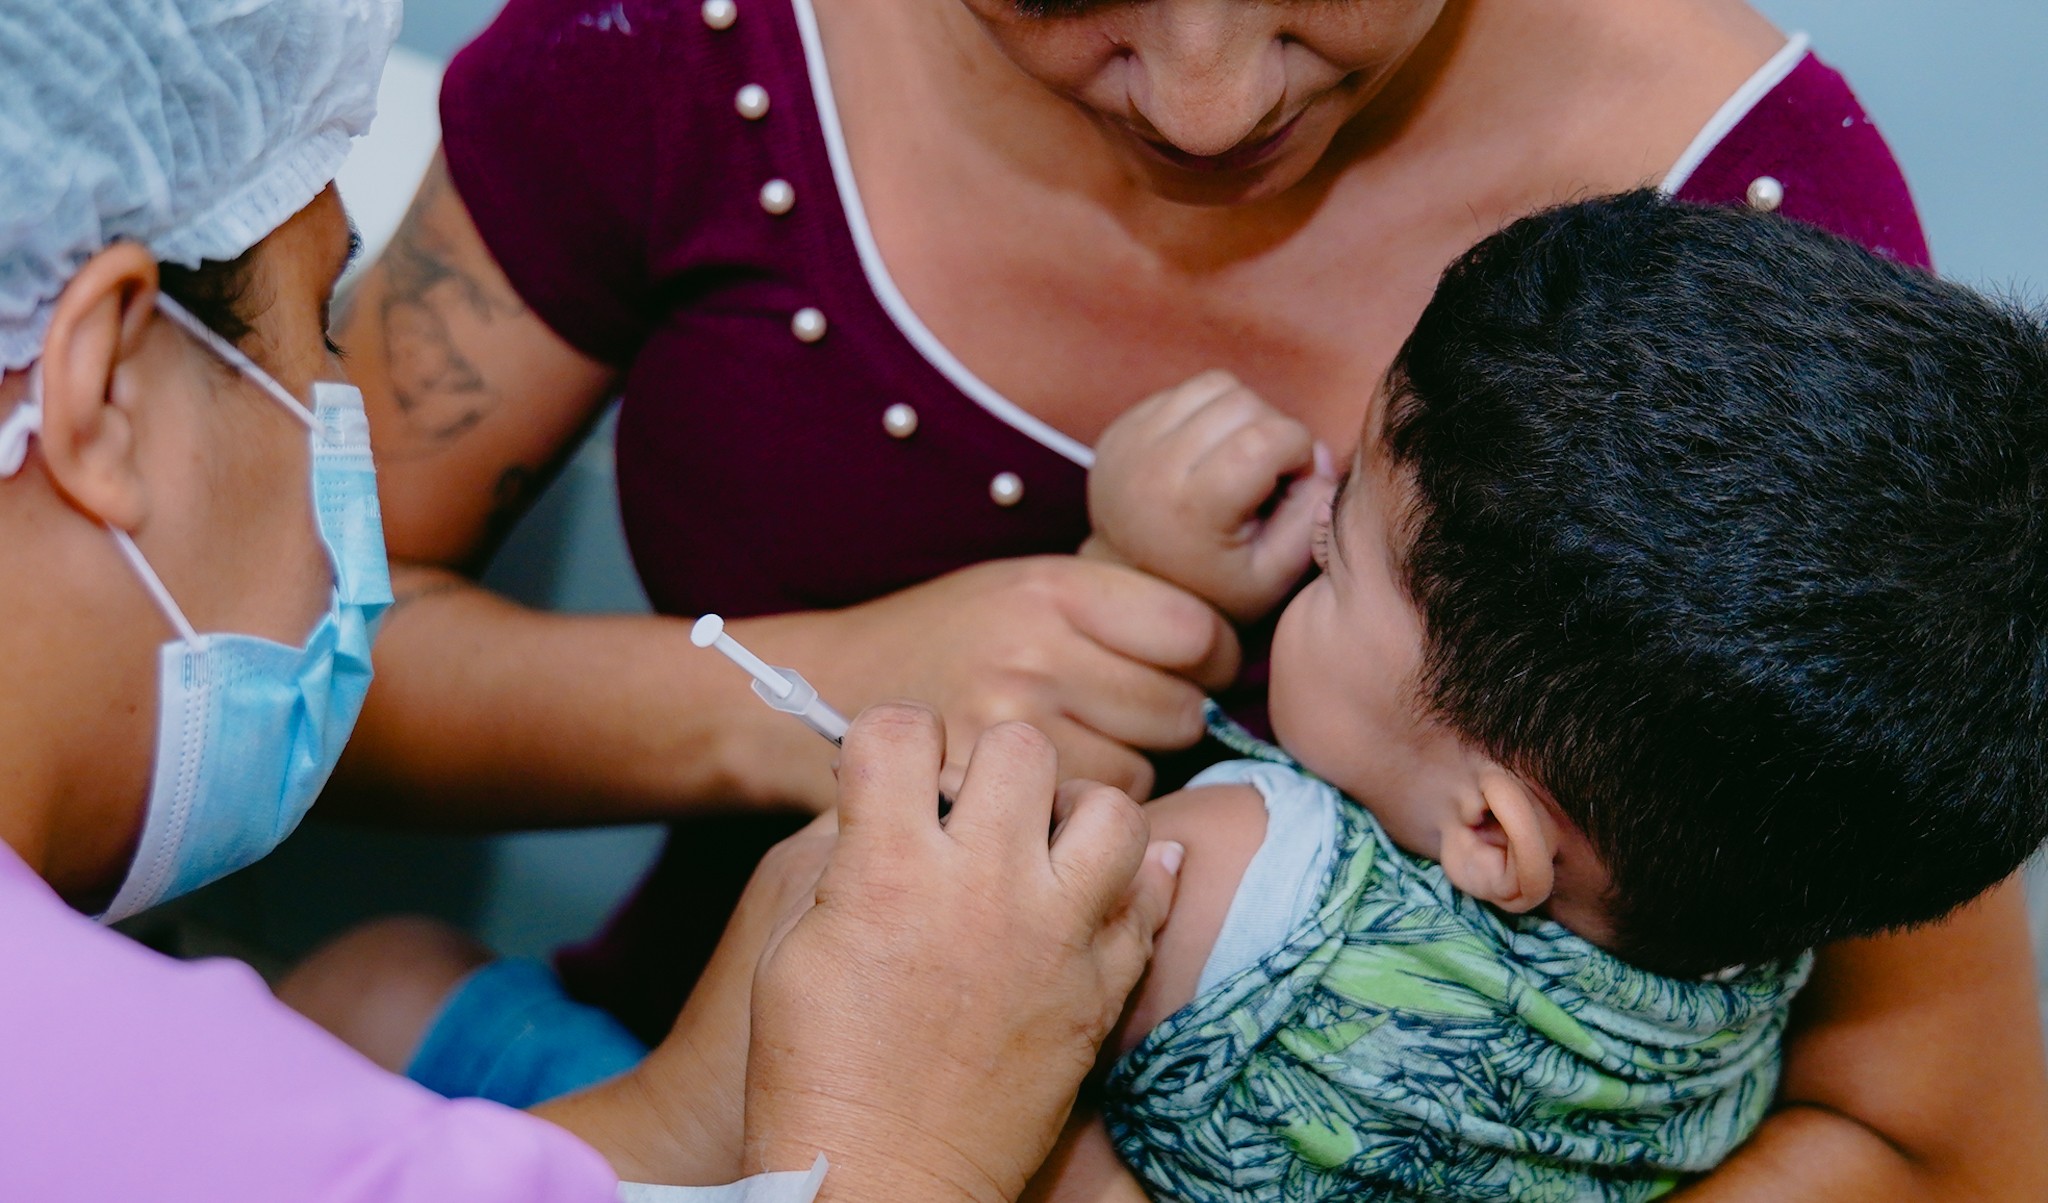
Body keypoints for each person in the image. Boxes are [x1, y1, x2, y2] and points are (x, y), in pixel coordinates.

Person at [304, 0, 2048, 1195]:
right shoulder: (678, 61)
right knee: (370, 990)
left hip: (771, 1105)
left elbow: (1939, 1144)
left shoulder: (1743, 266)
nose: (1208, 100)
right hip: (693, 1053)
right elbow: (240, 661)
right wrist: (818, 680)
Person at [0, 3, 1182, 1200]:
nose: (1208, 105)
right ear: (103, 390)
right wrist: (911, 1151)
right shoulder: (134, 1096)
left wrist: (694, 1101)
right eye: (321, 329)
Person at [1042, 191, 2048, 1200]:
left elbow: (932, 912)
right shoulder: (1744, 965)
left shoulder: (1235, 890)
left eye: (1339, 562)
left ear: (1489, 834)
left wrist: (1124, 571)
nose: (1310, 532)